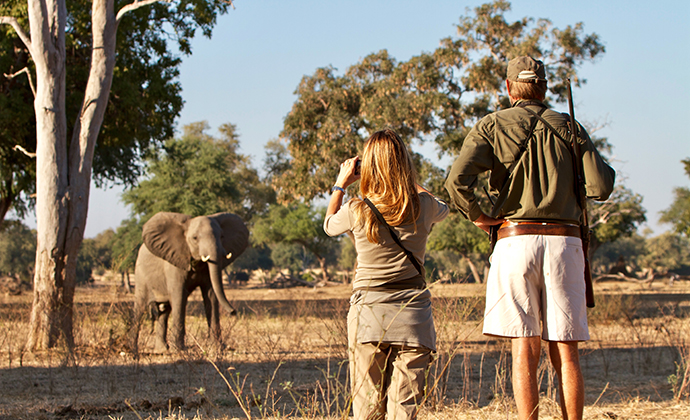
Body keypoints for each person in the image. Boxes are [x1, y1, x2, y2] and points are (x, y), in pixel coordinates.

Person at [444, 56, 615, 420]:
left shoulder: (491, 125)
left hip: (514, 240)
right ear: (544, 87)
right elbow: (601, 186)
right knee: (566, 352)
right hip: (564, 243)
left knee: (524, 347)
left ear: (508, 88)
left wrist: (481, 218)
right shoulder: (569, 126)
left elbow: (456, 183)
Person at [324, 128, 449, 420]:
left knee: (367, 408)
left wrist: (341, 183)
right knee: (403, 410)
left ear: (368, 166)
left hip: (369, 315)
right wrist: (408, 179)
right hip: (414, 317)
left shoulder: (357, 208)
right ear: (404, 163)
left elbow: (329, 224)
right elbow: (443, 207)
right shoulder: (426, 206)